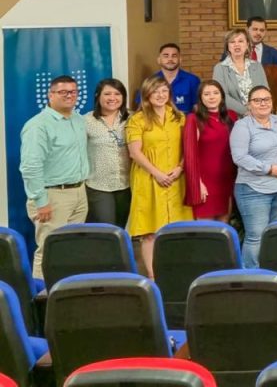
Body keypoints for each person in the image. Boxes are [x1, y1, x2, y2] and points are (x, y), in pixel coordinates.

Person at [19, 75, 89, 278]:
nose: (69, 95)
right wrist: (41, 201)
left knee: (72, 247)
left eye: (73, 92)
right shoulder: (38, 126)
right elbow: (30, 167)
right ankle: (42, 295)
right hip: (52, 196)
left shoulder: (78, 119)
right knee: (48, 249)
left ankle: (66, 291)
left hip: (79, 192)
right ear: (50, 95)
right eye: (63, 92)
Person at [127, 76, 192, 276]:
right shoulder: (137, 119)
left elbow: (188, 147)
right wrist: (157, 174)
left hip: (176, 180)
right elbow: (134, 152)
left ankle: (176, 272)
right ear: (146, 94)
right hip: (149, 179)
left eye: (164, 91)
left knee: (177, 229)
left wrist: (180, 168)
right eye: (155, 91)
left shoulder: (179, 117)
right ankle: (153, 275)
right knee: (150, 232)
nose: (160, 95)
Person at [230, 86, 277, 268]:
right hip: (253, 190)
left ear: (272, 102)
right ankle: (251, 275)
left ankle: (269, 271)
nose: (262, 103)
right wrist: (268, 169)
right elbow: (240, 157)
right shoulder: (242, 126)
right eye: (257, 100)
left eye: (266, 99)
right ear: (249, 105)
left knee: (271, 233)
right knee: (256, 236)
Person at [183, 80, 237, 223]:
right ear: (200, 98)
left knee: (223, 228)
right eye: (206, 94)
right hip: (205, 183)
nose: (212, 97)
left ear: (222, 96)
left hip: (226, 180)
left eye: (215, 93)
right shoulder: (194, 119)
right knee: (206, 229)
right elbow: (189, 155)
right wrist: (197, 184)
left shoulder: (231, 116)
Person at [84, 78, 131, 228]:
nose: (112, 98)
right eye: (107, 94)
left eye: (117, 94)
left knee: (121, 228)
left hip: (127, 184)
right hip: (99, 185)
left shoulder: (132, 119)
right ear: (98, 96)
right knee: (107, 229)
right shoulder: (86, 121)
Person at [213, 28, 269, 116]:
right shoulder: (220, 68)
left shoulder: (257, 66)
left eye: (240, 41)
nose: (236, 45)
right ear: (228, 47)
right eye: (232, 42)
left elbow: (265, 91)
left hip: (259, 113)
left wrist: (257, 109)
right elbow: (222, 95)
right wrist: (245, 111)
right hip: (232, 117)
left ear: (247, 44)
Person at [149, 43, 200, 114]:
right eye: (166, 56)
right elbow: (144, 107)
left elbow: (197, 108)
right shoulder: (150, 81)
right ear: (159, 60)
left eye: (174, 56)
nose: (170, 59)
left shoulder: (192, 80)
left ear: (180, 60)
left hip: (185, 120)